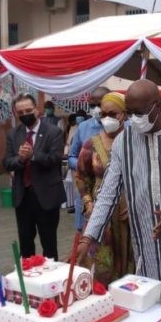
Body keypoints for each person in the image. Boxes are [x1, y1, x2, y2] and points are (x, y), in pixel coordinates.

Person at [78, 79, 161, 288]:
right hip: (145, 241)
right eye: (129, 113)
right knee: (151, 299)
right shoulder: (124, 141)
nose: (134, 119)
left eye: (139, 113)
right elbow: (107, 193)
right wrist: (88, 237)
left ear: (156, 106)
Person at [75, 92, 134, 284]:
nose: (107, 118)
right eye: (104, 114)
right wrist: (88, 203)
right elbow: (81, 176)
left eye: (113, 114)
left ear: (124, 114)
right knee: (100, 263)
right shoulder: (91, 144)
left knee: (127, 262)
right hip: (100, 212)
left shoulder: (135, 141)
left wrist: (135, 203)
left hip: (127, 215)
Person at [2, 94, 66, 260]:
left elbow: (55, 159)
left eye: (28, 110)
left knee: (49, 243)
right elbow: (7, 162)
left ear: (37, 110)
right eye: (20, 112)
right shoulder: (13, 134)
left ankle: (50, 279)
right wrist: (21, 160)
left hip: (46, 196)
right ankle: (28, 276)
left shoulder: (54, 132)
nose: (25, 114)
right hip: (23, 196)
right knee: (25, 242)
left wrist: (33, 155)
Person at [69, 88, 109, 231]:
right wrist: (86, 165)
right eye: (92, 106)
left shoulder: (125, 126)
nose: (96, 109)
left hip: (113, 192)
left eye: (100, 104)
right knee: (86, 234)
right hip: (88, 192)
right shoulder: (84, 127)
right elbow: (72, 157)